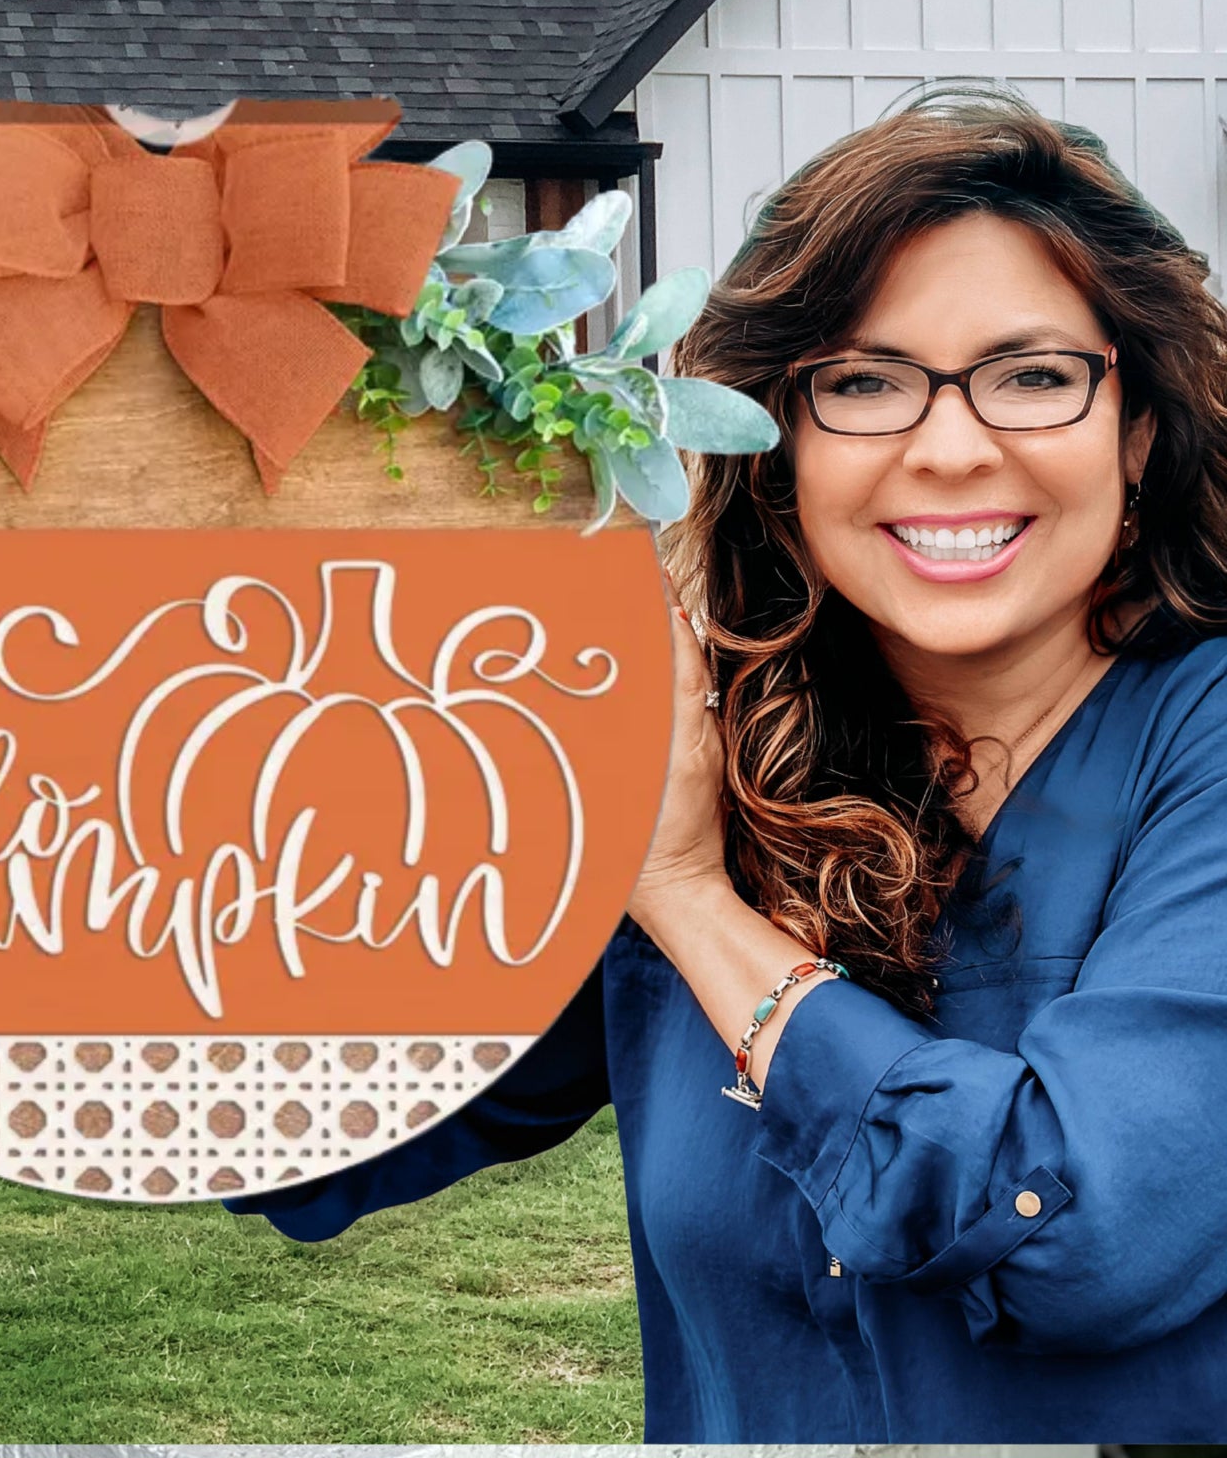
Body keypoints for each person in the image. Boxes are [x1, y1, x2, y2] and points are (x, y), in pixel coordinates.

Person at [225, 82, 1227, 1442]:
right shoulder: (710, 757)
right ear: (780, 448)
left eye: (1033, 376)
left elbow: (1085, 1236)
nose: (949, 448)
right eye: (863, 383)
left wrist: (690, 902)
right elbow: (300, 1125)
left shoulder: (1195, 749)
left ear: (1138, 429)